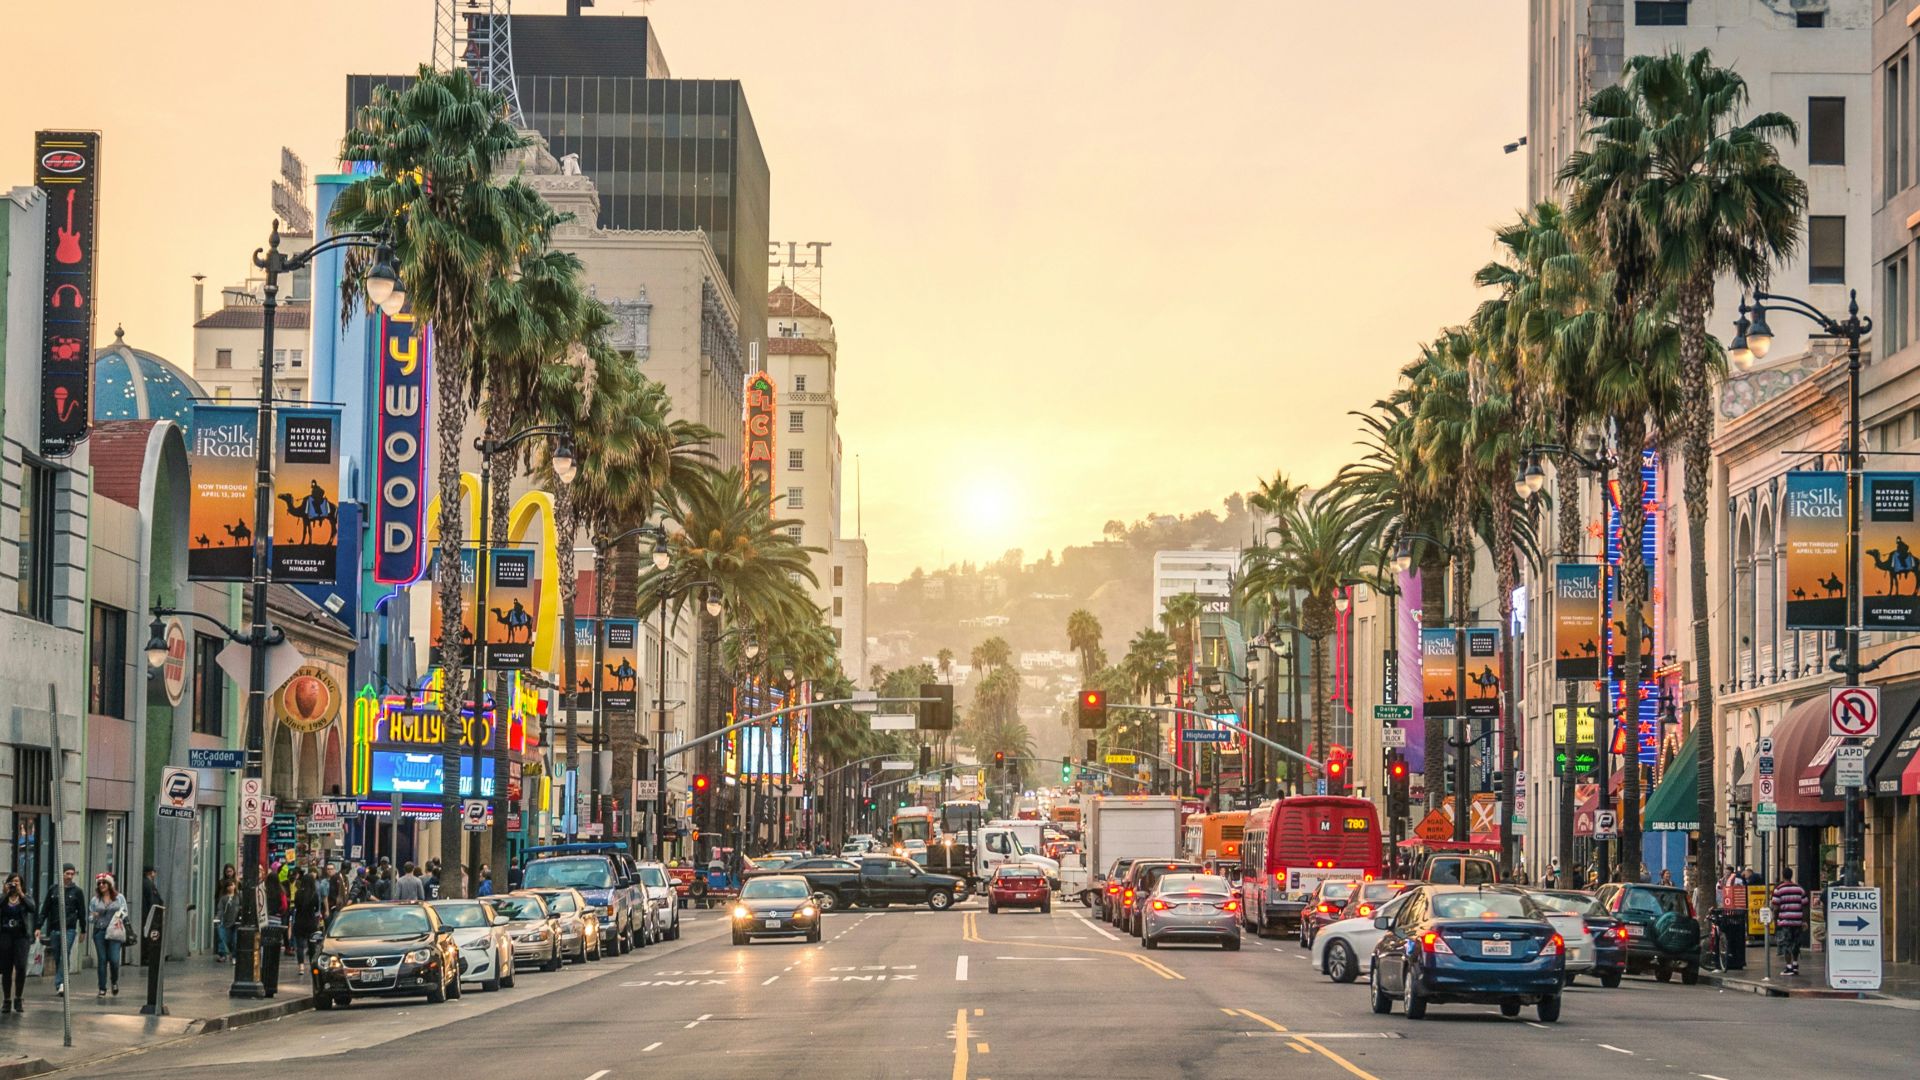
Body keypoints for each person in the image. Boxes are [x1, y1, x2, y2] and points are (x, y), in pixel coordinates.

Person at [38, 864, 83, 997]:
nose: (69, 876)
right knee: (58, 956)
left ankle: (61, 983)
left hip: (69, 928)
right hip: (55, 928)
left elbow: (81, 911)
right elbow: (45, 909)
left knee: (65, 952)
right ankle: (63, 979)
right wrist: (38, 926)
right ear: (62, 874)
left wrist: (83, 930)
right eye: (67, 873)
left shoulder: (77, 892)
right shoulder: (54, 890)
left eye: (72, 874)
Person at [1, 873, 37, 1013]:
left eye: (17, 882)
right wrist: (5, 893)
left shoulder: (25, 898)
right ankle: (6, 1000)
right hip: (5, 935)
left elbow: (32, 908)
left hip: (21, 936)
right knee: (6, 969)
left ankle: (18, 998)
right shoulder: (4, 898)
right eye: (12, 882)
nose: (14, 885)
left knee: (21, 966)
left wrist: (21, 894)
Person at [89, 875, 128, 999]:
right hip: (99, 932)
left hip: (114, 931)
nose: (101, 885)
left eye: (104, 883)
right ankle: (102, 988)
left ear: (110, 884)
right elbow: (89, 917)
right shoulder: (95, 900)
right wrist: (93, 916)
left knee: (114, 959)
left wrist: (118, 916)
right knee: (102, 960)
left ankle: (114, 981)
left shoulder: (119, 898)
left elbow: (125, 911)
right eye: (99, 883)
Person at [1771, 866, 1810, 976]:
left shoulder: (1779, 889)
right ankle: (1795, 964)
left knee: (1786, 944)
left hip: (1785, 922)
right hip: (1797, 921)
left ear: (1783, 875)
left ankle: (1788, 967)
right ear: (1792, 875)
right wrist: (1804, 921)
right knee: (1796, 944)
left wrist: (1776, 920)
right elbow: (1805, 905)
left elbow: (1776, 907)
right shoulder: (1799, 889)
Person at [290, 872, 320, 965]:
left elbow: (296, 906)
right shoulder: (314, 894)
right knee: (312, 946)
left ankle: (301, 966)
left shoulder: (298, 893)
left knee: (300, 946)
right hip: (311, 922)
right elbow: (317, 908)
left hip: (299, 922)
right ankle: (312, 964)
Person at [139, 866, 162, 967]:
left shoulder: (145, 883)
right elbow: (153, 900)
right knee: (149, 935)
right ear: (150, 873)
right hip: (149, 914)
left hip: (147, 913)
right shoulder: (148, 884)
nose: (155, 874)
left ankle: (146, 956)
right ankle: (146, 957)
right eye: (154, 872)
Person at [215, 880, 240, 963]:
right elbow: (220, 909)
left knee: (235, 940)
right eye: (228, 886)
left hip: (236, 922)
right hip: (225, 921)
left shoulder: (239, 896)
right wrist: (218, 917)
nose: (230, 887)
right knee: (224, 939)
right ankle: (224, 954)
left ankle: (234, 956)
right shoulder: (223, 898)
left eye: (232, 885)